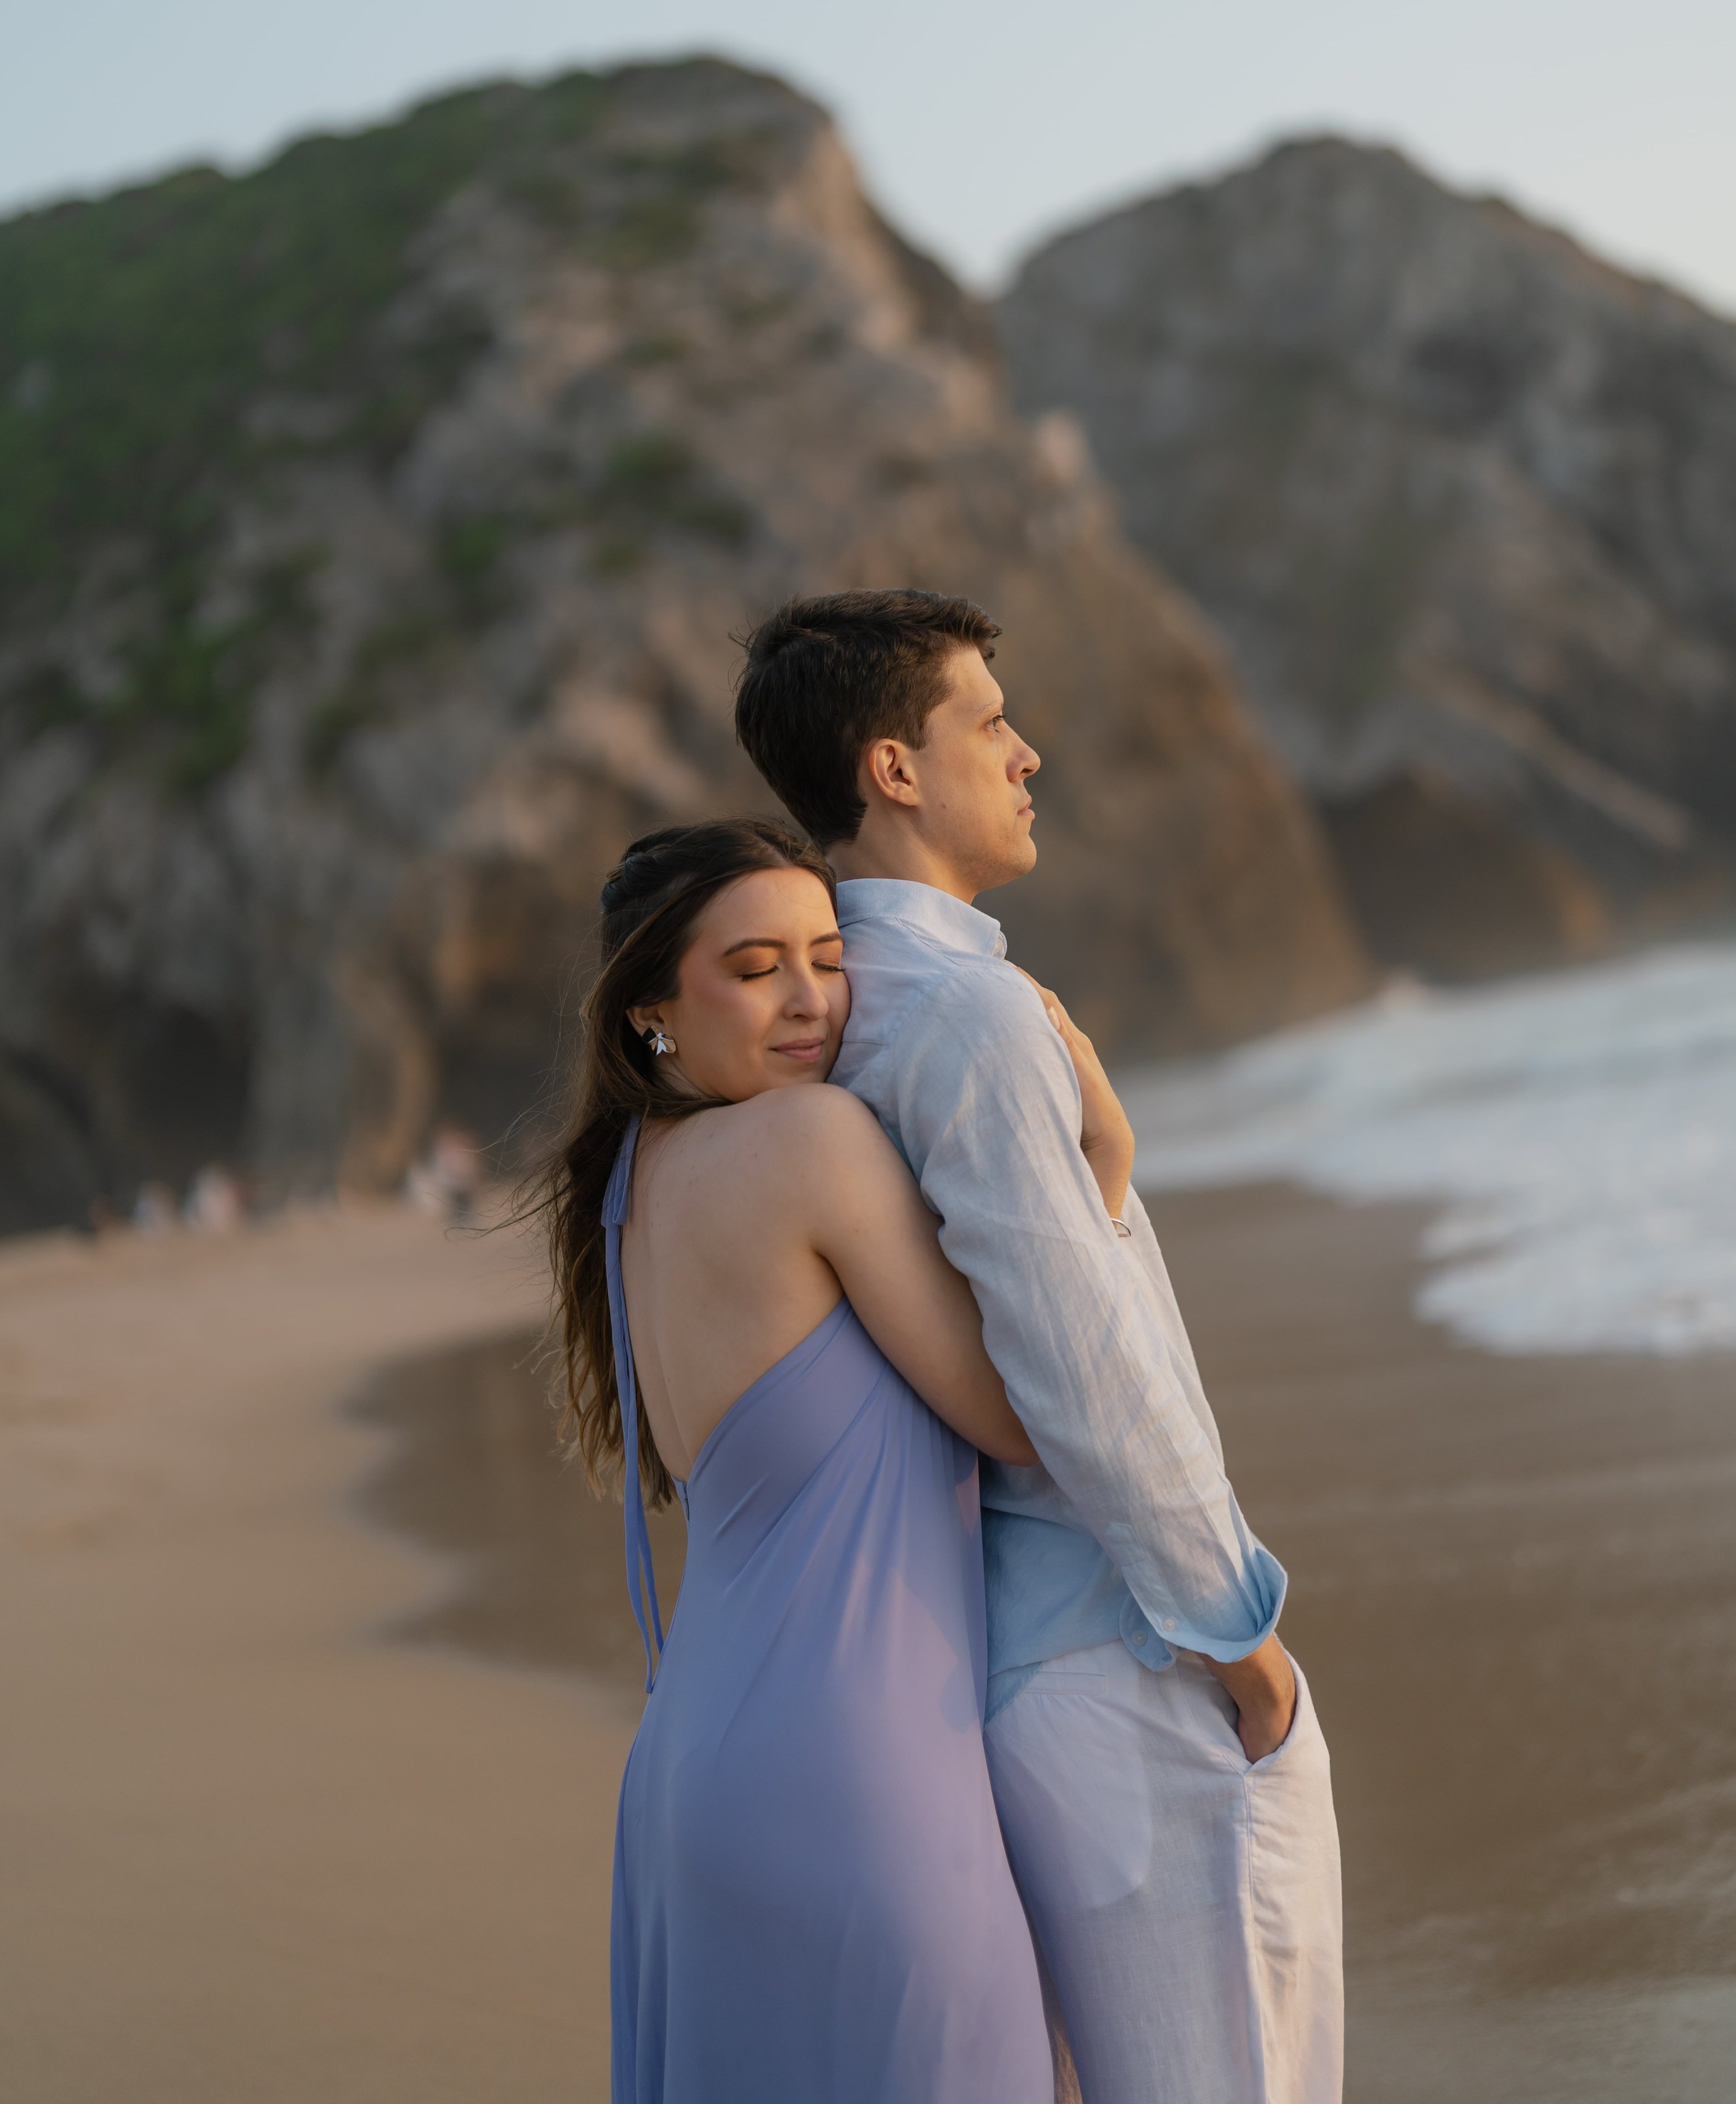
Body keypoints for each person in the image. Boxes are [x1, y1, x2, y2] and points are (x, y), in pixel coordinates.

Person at [735, 591, 1345, 2104]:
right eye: (988, 720)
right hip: (1130, 1656)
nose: (1026, 751)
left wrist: (1109, 1167)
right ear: (892, 767)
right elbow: (1078, 1364)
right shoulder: (963, 1013)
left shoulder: (842, 1016)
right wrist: (1237, 1642)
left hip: (1013, 1658)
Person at [528, 817, 1053, 2104]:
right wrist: (1095, 1160)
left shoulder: (627, 1198)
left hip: (691, 1779)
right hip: (858, 1774)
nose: (812, 1000)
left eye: (828, 954)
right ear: (653, 1006)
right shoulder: (809, 1143)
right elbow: (1025, 1413)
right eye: (757, 968)